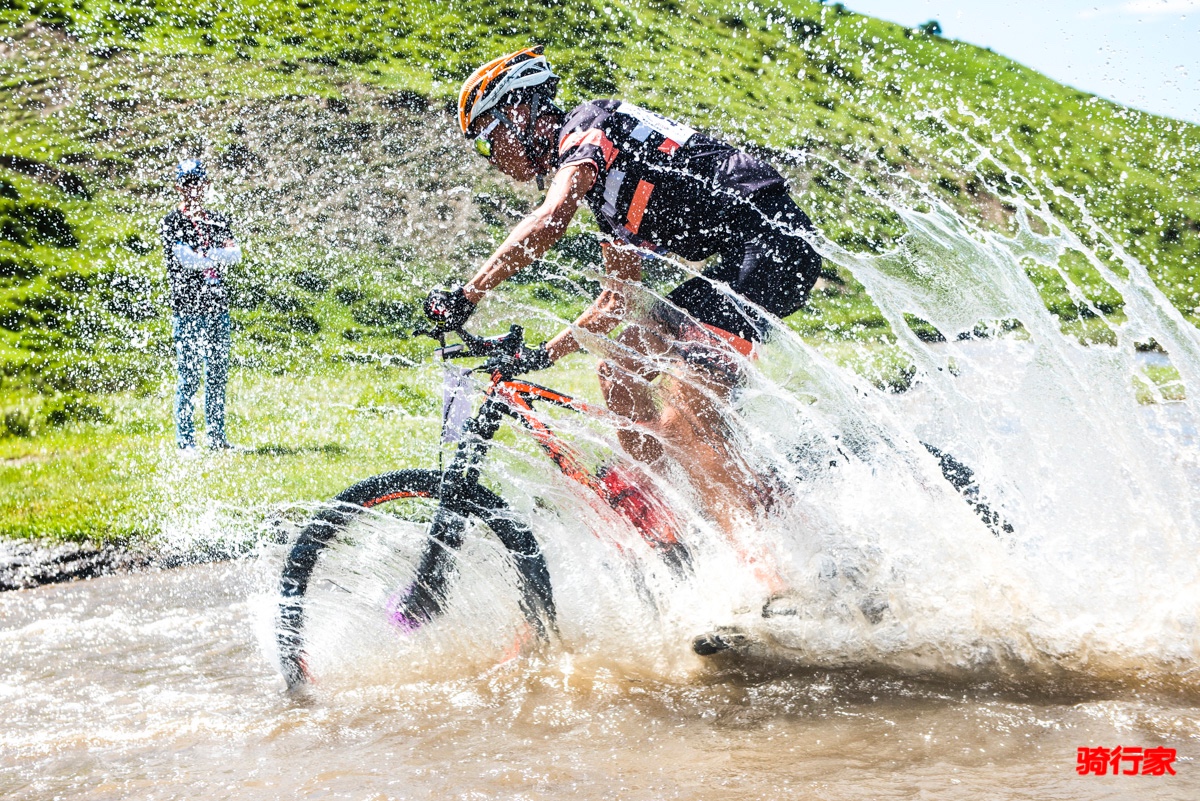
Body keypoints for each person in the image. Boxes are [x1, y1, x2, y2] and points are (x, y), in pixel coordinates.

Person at [425, 47, 823, 532]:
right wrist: (542, 357)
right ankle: (675, 511)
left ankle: (764, 571)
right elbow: (616, 302)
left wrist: (469, 294)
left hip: (772, 250)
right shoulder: (609, 196)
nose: (492, 161)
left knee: (683, 422)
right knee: (618, 367)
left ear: (518, 111)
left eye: (488, 142)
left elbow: (550, 220)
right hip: (738, 261)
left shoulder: (590, 127)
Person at [160, 159, 242, 453]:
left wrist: (205, 254)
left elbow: (236, 255)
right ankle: (185, 443)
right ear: (179, 187)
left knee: (218, 375)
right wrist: (214, 255)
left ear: (206, 185)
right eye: (188, 182)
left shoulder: (217, 219)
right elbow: (185, 259)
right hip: (188, 309)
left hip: (217, 307)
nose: (193, 188)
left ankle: (217, 439)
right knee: (190, 376)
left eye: (198, 182)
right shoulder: (171, 222)